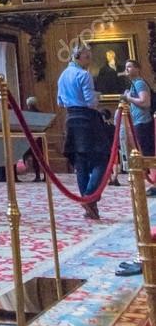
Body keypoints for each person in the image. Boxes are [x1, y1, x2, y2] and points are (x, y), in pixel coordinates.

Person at [57, 43, 111, 220]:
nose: (90, 60)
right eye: (87, 57)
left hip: (70, 119)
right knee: (102, 159)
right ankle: (89, 197)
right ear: (78, 57)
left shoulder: (63, 75)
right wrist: (98, 96)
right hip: (87, 119)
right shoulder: (83, 74)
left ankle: (90, 206)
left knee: (80, 163)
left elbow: (60, 102)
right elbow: (90, 102)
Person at [123, 59, 154, 157]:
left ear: (137, 69)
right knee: (143, 151)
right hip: (138, 121)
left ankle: (152, 172)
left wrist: (129, 98)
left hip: (143, 121)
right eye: (126, 67)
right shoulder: (134, 84)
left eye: (129, 66)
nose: (126, 69)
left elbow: (145, 102)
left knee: (147, 152)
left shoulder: (139, 83)